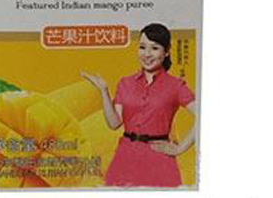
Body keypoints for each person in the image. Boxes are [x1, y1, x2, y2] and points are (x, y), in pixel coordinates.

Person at [81, 23, 196, 187]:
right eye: (142, 47)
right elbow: (114, 123)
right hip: (125, 159)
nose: (147, 54)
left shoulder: (175, 86)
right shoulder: (125, 83)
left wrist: (180, 149)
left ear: (166, 52)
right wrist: (104, 91)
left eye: (154, 48)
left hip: (159, 159)